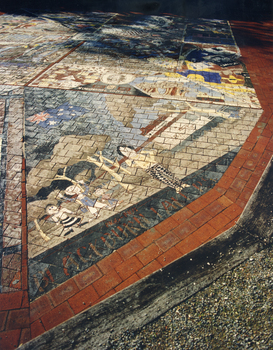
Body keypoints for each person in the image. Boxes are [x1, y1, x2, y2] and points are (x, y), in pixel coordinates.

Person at [117, 145, 189, 193]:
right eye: (124, 152)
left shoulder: (142, 152)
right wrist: (141, 165)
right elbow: (133, 166)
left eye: (127, 149)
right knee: (161, 179)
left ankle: (182, 184)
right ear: (123, 154)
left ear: (131, 148)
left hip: (154, 164)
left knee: (168, 174)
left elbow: (151, 152)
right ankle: (176, 187)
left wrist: (151, 160)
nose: (127, 152)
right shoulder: (128, 161)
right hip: (148, 170)